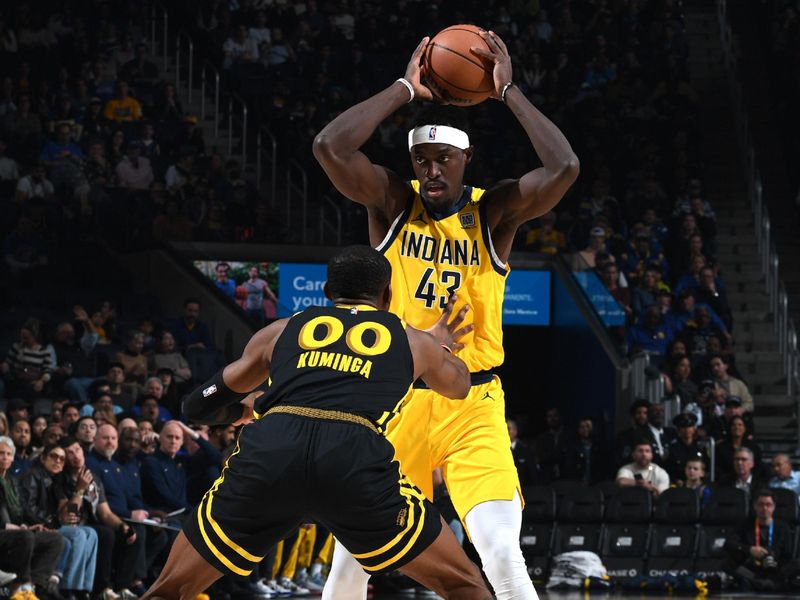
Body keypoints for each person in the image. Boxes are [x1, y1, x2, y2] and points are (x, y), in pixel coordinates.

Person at [314, 29, 578, 600]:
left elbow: (565, 168)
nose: (432, 171)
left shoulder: (494, 213)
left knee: (503, 553)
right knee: (351, 561)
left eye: (444, 160)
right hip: (396, 397)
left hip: (473, 402)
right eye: (422, 160)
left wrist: (508, 93)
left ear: (465, 161)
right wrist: (405, 88)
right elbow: (329, 147)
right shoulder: (391, 202)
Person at [141, 246, 490, 600]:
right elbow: (459, 387)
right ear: (388, 295)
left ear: (326, 293)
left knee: (169, 590)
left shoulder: (282, 329)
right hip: (352, 459)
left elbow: (199, 406)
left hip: (272, 451)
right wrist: (440, 345)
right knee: (463, 583)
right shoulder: (413, 340)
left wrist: (247, 409)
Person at [0, 436, 65, 600]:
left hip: (19, 531)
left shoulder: (11, 482)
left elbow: (20, 512)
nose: (5, 457)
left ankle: (33, 589)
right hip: (6, 532)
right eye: (1, 453)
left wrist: (32, 525)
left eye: (8, 454)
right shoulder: (32, 476)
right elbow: (20, 513)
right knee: (26, 536)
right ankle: (20, 586)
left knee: (56, 539)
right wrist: (20, 527)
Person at [724, 489, 800, 591]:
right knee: (727, 563)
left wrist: (770, 554)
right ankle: (763, 583)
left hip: (775, 569)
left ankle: (759, 583)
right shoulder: (745, 524)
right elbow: (728, 544)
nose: (764, 508)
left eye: (768, 505)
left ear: (774, 507)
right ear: (755, 506)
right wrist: (750, 549)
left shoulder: (783, 526)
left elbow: (787, 554)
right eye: (761, 504)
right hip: (752, 568)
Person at [664, 413, 708, 484]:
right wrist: (675, 480)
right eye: (683, 427)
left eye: (689, 426)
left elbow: (707, 466)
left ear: (694, 429)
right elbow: (667, 469)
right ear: (678, 429)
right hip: (678, 485)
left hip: (698, 484)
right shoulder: (672, 448)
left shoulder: (701, 446)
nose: (687, 430)